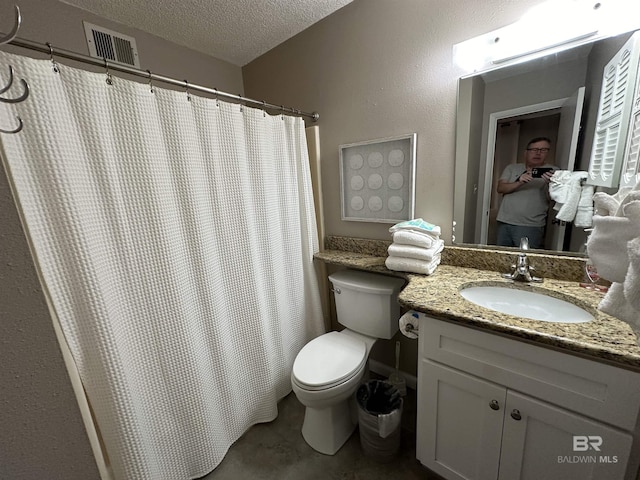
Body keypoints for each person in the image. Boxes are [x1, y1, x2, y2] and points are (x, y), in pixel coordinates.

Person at [496, 137, 557, 249]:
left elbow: (552, 199)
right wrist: (519, 181)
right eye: (534, 149)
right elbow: (500, 188)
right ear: (526, 153)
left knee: (525, 258)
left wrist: (550, 184)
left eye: (543, 150)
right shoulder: (512, 168)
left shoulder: (553, 171)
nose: (538, 153)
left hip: (531, 225)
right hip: (505, 221)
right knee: (501, 256)